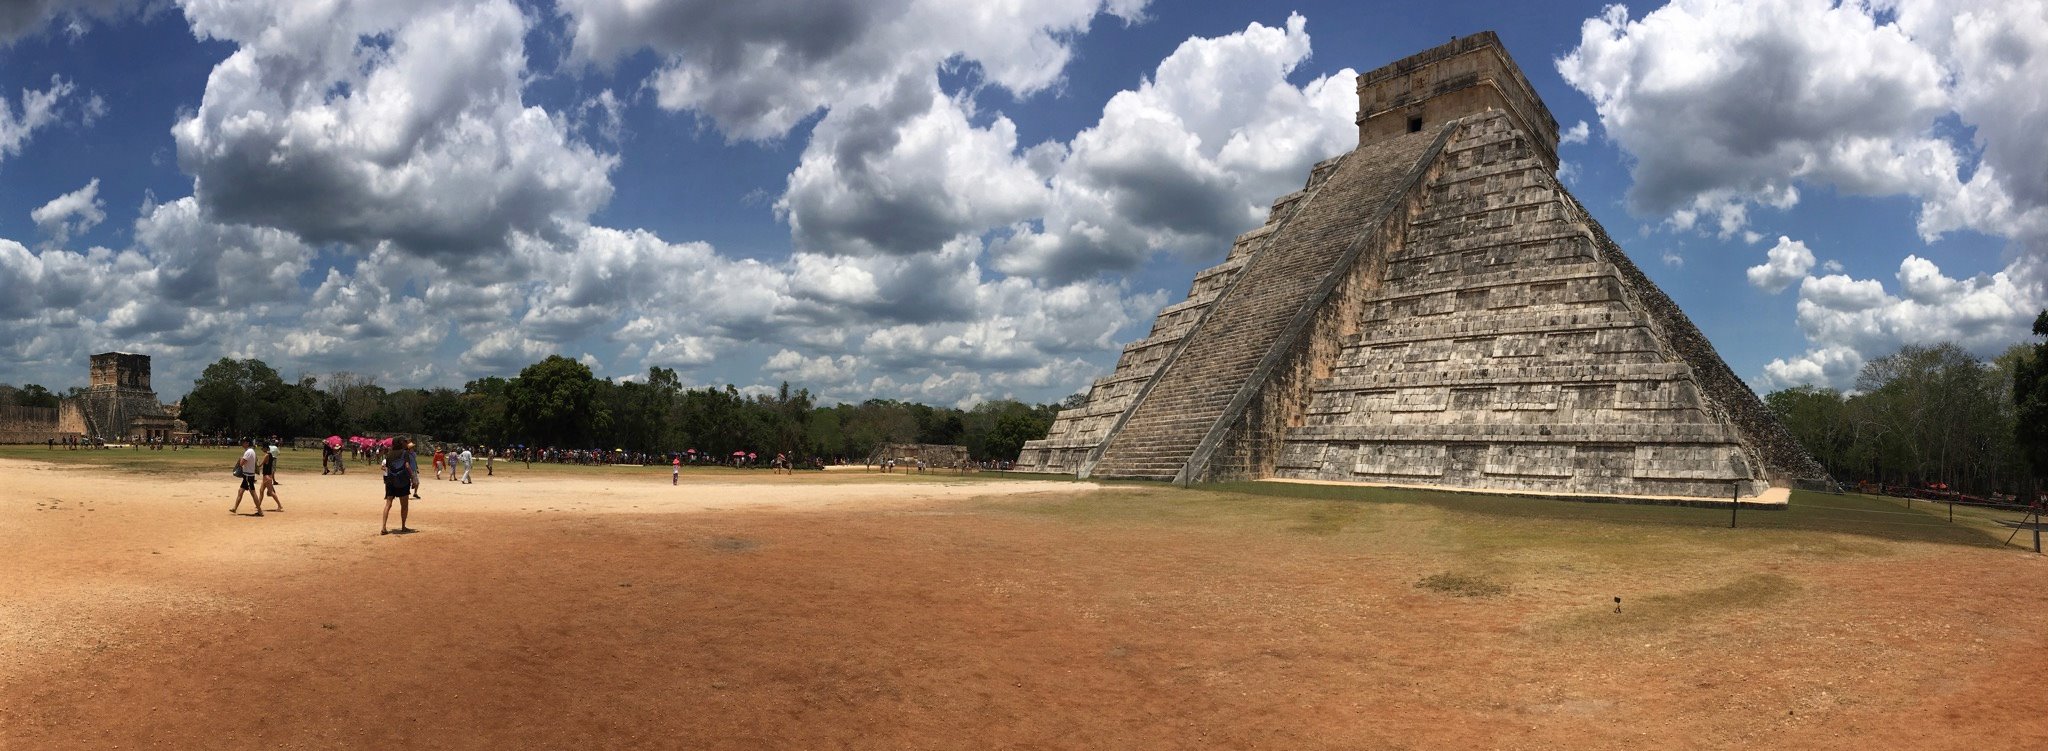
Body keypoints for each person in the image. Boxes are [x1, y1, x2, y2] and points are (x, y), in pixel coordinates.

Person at [383, 439, 418, 534]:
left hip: (390, 481)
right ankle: (403, 526)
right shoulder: (404, 453)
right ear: (401, 443)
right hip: (403, 481)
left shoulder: (389, 454)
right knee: (404, 505)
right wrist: (413, 477)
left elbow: (387, 468)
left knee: (388, 504)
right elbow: (407, 465)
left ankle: (384, 527)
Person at [230, 437, 262, 516]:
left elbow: (241, 463)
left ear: (247, 443)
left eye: (244, 442)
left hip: (248, 475)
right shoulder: (251, 451)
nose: (242, 443)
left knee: (253, 493)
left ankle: (260, 511)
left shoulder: (248, 452)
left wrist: (240, 459)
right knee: (240, 491)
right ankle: (235, 508)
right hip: (247, 475)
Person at [258, 444, 284, 513]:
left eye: (263, 448)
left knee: (271, 492)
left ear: (266, 448)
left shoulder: (267, 455)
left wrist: (256, 463)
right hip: (266, 476)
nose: (262, 449)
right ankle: (258, 505)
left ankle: (279, 505)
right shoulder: (271, 455)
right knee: (261, 491)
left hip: (266, 476)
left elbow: (260, 465)